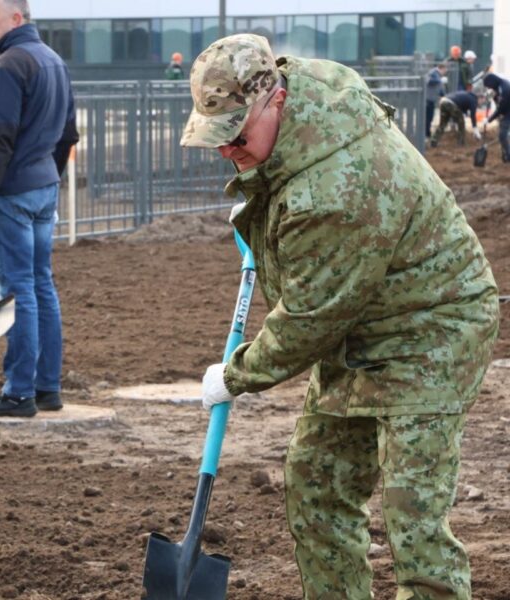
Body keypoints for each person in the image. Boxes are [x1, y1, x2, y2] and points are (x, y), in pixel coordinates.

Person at [183, 34, 499, 598]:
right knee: (317, 483)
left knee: (413, 515)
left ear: (276, 100)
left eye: (237, 135)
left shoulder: (333, 190)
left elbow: (309, 317)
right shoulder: (303, 98)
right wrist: (261, 204)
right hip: (361, 322)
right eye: (218, 138)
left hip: (433, 328)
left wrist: (235, 374)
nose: (227, 150)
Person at [0, 0, 79, 418]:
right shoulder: (53, 61)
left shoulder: (8, 65)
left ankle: (18, 393)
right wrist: (50, 178)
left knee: (18, 290)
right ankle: (47, 388)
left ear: (16, 18)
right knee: (41, 284)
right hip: (43, 187)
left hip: (12, 193)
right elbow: (68, 134)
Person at [483, 72, 510, 162]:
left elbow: (501, 108)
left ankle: (508, 156)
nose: (489, 88)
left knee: (503, 134)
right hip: (506, 111)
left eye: (489, 86)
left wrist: (489, 119)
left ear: (492, 82)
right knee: (502, 134)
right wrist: (494, 97)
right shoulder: (500, 85)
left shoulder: (504, 88)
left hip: (507, 112)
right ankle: (505, 155)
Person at [425, 63, 447, 138]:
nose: (445, 72)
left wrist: (442, 95)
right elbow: (429, 81)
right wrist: (439, 80)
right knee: (428, 117)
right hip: (428, 99)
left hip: (432, 99)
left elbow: (440, 87)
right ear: (442, 68)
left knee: (430, 117)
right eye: (444, 70)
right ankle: (426, 133)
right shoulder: (433, 73)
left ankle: (428, 133)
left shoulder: (437, 75)